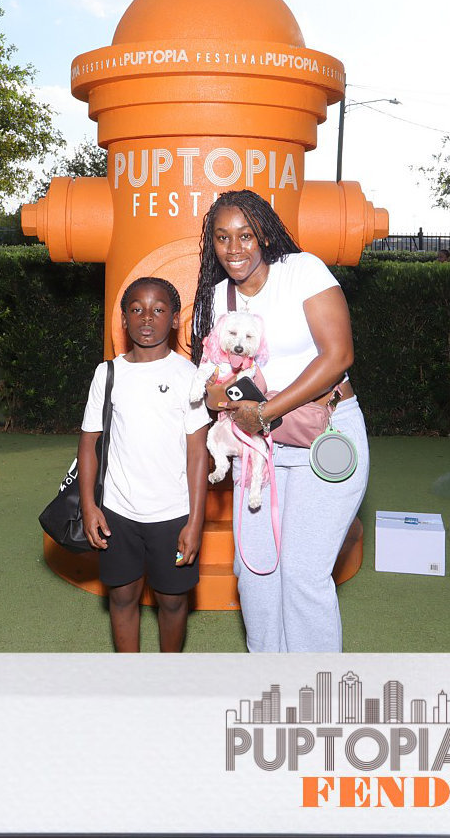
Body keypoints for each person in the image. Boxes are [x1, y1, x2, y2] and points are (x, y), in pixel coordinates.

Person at [191, 190, 370, 653]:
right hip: (257, 448)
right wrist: (219, 396)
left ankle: (313, 687)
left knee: (303, 573)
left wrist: (265, 411)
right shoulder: (218, 297)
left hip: (324, 434)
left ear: (264, 235)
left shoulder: (302, 271)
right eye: (222, 237)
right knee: (255, 572)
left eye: (245, 235)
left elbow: (338, 355)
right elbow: (214, 378)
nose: (234, 248)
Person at [79, 277, 210, 653]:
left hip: (173, 515)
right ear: (124, 319)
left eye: (158, 309)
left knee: (173, 601)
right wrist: (89, 507)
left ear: (175, 319)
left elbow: (198, 454)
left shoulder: (188, 376)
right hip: (118, 513)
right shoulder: (108, 374)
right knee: (122, 597)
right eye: (136, 309)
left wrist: (195, 521)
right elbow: (88, 444)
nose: (147, 317)